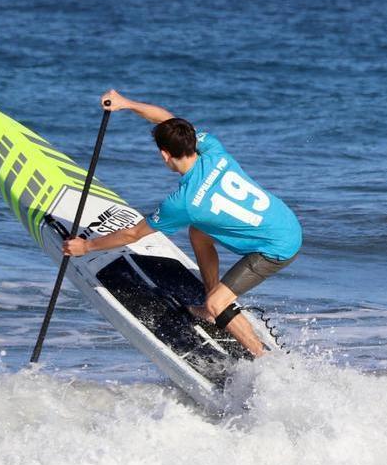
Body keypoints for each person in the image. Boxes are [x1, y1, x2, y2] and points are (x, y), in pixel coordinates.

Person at [62, 90, 301, 357]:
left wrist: (87, 246)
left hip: (277, 248)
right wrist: (126, 104)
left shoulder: (183, 202)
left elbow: (132, 234)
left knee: (216, 304)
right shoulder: (211, 148)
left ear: (165, 155)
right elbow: (166, 119)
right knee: (198, 231)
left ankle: (263, 358)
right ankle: (212, 298)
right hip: (285, 220)